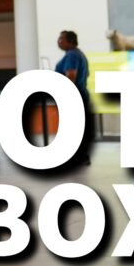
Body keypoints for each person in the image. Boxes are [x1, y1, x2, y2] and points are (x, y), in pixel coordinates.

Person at [55, 30, 92, 165]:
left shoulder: (71, 55)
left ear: (70, 41)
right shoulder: (79, 54)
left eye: (61, 39)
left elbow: (71, 76)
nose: (58, 41)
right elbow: (86, 74)